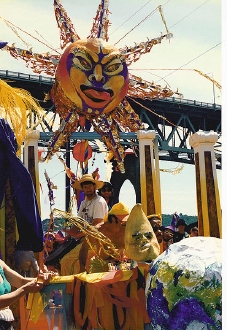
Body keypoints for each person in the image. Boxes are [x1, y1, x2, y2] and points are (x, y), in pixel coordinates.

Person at [0, 259, 52, 329]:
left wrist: (45, 279)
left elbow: (21, 281)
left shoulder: (1, 263)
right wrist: (24, 289)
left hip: (7, 322)